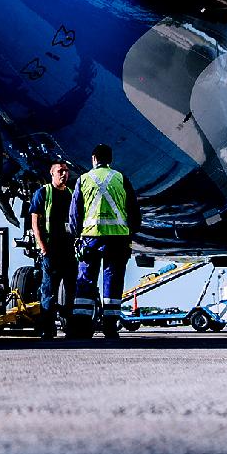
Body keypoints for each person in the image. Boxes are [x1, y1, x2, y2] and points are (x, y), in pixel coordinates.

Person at [69, 143, 139, 338]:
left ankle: (83, 327)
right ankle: (110, 326)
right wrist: (130, 233)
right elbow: (133, 209)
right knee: (113, 281)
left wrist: (76, 235)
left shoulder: (83, 179)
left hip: (90, 237)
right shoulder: (121, 178)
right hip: (118, 239)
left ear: (93, 159)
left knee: (85, 280)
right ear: (110, 160)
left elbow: (74, 212)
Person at [25, 159, 75, 339]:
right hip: (51, 250)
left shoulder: (71, 193)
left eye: (66, 171)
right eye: (60, 171)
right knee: (49, 291)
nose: (64, 174)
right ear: (52, 173)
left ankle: (70, 328)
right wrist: (43, 248)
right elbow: (35, 223)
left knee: (71, 290)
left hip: (69, 250)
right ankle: (47, 329)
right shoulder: (43, 193)